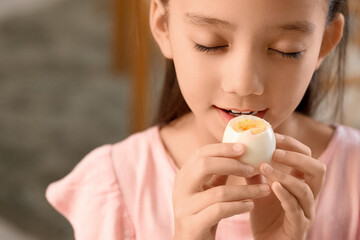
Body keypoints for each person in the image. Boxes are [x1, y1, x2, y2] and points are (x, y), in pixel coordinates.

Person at [46, 0, 360, 239]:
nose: (243, 83)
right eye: (210, 43)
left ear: (325, 43)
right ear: (163, 26)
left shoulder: (353, 177)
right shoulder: (116, 187)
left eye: (286, 50)